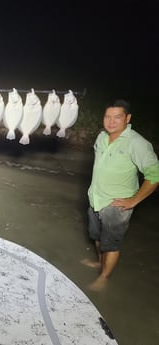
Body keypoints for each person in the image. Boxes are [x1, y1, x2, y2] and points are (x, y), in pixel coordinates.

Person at [82, 99, 159, 291]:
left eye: (117, 117)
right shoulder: (101, 137)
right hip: (95, 199)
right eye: (108, 116)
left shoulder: (138, 144)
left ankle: (104, 277)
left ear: (128, 118)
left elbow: (154, 175)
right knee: (97, 236)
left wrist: (134, 200)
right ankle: (101, 263)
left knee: (111, 244)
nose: (111, 121)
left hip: (116, 206)